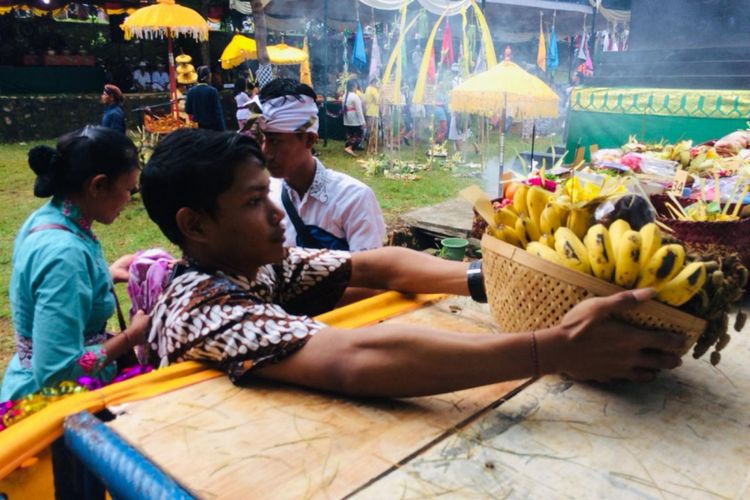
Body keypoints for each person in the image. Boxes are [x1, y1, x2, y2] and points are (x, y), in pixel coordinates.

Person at [139, 129, 684, 398]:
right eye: (254, 202)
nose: (278, 215)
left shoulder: (254, 264)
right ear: (196, 225)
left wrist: (502, 282)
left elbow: (379, 267)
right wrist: (556, 349)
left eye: (271, 195)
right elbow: (354, 358)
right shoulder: (203, 307)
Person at [0, 126, 150, 401]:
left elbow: (46, 288)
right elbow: (57, 372)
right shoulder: (65, 255)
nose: (129, 199)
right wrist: (130, 338)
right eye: (129, 189)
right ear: (98, 185)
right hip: (51, 408)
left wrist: (104, 275)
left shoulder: (47, 219)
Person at [259, 78, 386, 252]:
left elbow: (369, 272)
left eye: (275, 141)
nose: (265, 152)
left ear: (310, 139)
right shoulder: (265, 196)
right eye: (263, 139)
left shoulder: (353, 200)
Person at [185, 66, 226, 131]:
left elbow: (188, 110)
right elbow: (218, 113)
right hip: (212, 129)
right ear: (208, 76)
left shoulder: (191, 91)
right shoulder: (212, 91)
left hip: (197, 129)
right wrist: (223, 130)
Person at [342, 79, 366, 156]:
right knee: (359, 135)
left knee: (351, 134)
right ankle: (350, 147)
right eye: (356, 86)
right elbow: (359, 110)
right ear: (353, 87)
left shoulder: (344, 95)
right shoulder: (355, 97)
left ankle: (350, 146)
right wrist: (363, 122)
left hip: (347, 118)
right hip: (354, 119)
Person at [364, 78, 379, 154]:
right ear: (374, 83)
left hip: (368, 111)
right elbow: (378, 100)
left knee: (370, 130)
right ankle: (371, 148)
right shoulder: (373, 89)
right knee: (373, 131)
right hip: (373, 111)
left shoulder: (367, 89)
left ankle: (371, 147)